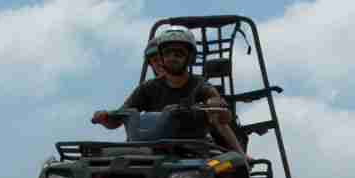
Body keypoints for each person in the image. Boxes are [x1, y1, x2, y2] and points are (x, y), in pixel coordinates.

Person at [92, 26, 246, 154]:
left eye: (179, 54)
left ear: (190, 58)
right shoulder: (147, 88)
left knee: (224, 168)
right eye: (167, 53)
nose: (172, 58)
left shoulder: (200, 85)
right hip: (153, 152)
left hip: (192, 152)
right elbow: (118, 118)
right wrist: (105, 118)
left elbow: (221, 117)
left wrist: (217, 107)